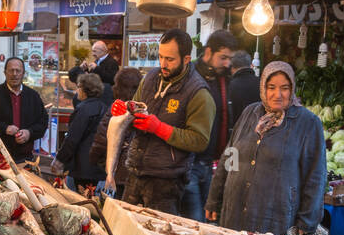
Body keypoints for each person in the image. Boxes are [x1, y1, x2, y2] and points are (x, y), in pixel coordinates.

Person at [205, 61, 326, 235]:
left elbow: (316, 176)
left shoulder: (307, 123)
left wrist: (307, 221)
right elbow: (230, 156)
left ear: (292, 89)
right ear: (263, 88)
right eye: (271, 87)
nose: (277, 95)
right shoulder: (249, 113)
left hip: (275, 218)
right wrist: (214, 200)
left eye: (284, 88)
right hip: (234, 213)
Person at [119, 29, 213, 214]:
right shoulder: (149, 78)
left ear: (186, 59)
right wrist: (125, 112)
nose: (163, 64)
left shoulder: (199, 93)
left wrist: (159, 128)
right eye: (160, 57)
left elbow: (199, 140)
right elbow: (133, 112)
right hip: (135, 172)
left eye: (170, 59)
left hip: (166, 182)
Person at [183, 29, 237, 221]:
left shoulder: (223, 80)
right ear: (208, 52)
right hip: (189, 164)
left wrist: (231, 166)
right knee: (195, 223)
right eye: (223, 57)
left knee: (208, 223)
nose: (227, 63)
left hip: (211, 165)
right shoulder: (189, 76)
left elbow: (229, 124)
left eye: (229, 58)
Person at [0, 56, 48, 164]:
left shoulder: (33, 96)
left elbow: (43, 122)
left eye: (18, 71)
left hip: (25, 159)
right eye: (11, 70)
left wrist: (29, 133)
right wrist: (4, 128)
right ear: (5, 72)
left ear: (23, 73)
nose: (14, 74)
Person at [89, 65, 142, 198]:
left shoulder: (116, 109)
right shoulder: (141, 109)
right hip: (136, 172)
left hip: (118, 172)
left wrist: (93, 159)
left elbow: (101, 140)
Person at [53, 72, 105, 191]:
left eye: (78, 87)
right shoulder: (104, 107)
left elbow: (72, 138)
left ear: (84, 89)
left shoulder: (83, 109)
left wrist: (60, 159)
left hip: (83, 166)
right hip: (98, 165)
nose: (77, 91)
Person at [227, 49, 259, 129]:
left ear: (232, 67)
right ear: (251, 65)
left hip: (237, 134)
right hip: (259, 132)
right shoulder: (261, 83)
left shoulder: (230, 86)